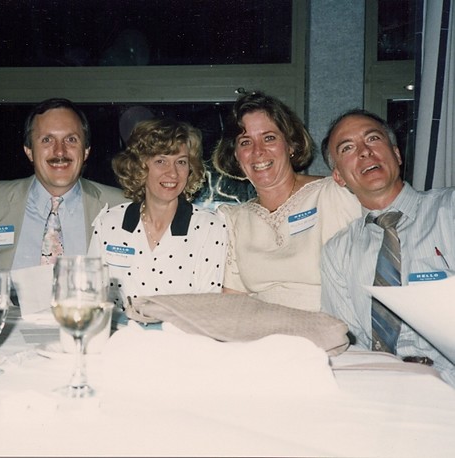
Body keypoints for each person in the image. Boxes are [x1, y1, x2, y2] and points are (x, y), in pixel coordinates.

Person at [320, 108, 455, 386]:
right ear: (339, 177)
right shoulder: (337, 251)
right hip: (381, 387)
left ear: (396, 154)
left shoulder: (449, 211)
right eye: (347, 148)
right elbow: (347, 341)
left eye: (373, 139)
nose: (364, 152)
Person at [212, 90, 361, 311]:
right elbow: (232, 301)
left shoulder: (334, 194)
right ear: (235, 154)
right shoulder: (235, 219)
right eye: (245, 142)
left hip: (329, 330)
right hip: (261, 336)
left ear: (290, 145)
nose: (258, 151)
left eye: (269, 138)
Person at [0, 98, 127, 270]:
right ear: (29, 151)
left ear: (86, 151)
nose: (60, 151)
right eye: (47, 140)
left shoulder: (121, 207)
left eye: (71, 139)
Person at [87, 118, 227, 310]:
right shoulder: (109, 223)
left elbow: (210, 307)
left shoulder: (210, 228)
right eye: (161, 161)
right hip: (120, 337)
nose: (173, 173)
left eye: (181, 162)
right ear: (141, 166)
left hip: (182, 338)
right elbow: (90, 299)